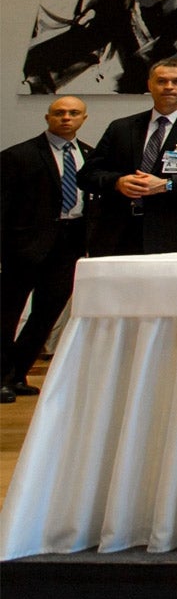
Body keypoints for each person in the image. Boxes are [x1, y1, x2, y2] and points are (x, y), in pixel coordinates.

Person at [79, 57, 177, 257]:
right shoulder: (122, 127)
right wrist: (117, 182)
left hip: (170, 235)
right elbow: (86, 175)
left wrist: (166, 184)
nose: (168, 87)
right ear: (149, 84)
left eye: (176, 81)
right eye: (161, 81)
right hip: (116, 234)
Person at [0, 97, 92, 402]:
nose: (66, 118)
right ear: (47, 117)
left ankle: (17, 374)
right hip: (24, 246)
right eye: (59, 113)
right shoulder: (18, 156)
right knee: (8, 314)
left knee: (46, 314)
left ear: (84, 118)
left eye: (73, 113)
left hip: (69, 246)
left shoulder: (90, 157)